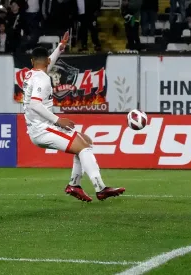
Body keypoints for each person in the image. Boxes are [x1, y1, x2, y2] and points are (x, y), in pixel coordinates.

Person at [21, 32, 125, 202]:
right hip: (43, 129)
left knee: (86, 141)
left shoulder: (31, 74)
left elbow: (46, 64)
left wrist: (60, 48)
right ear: (47, 61)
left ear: (32, 62)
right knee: (84, 147)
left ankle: (74, 185)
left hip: (39, 127)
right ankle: (100, 188)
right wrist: (57, 120)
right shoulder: (43, 79)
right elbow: (35, 104)